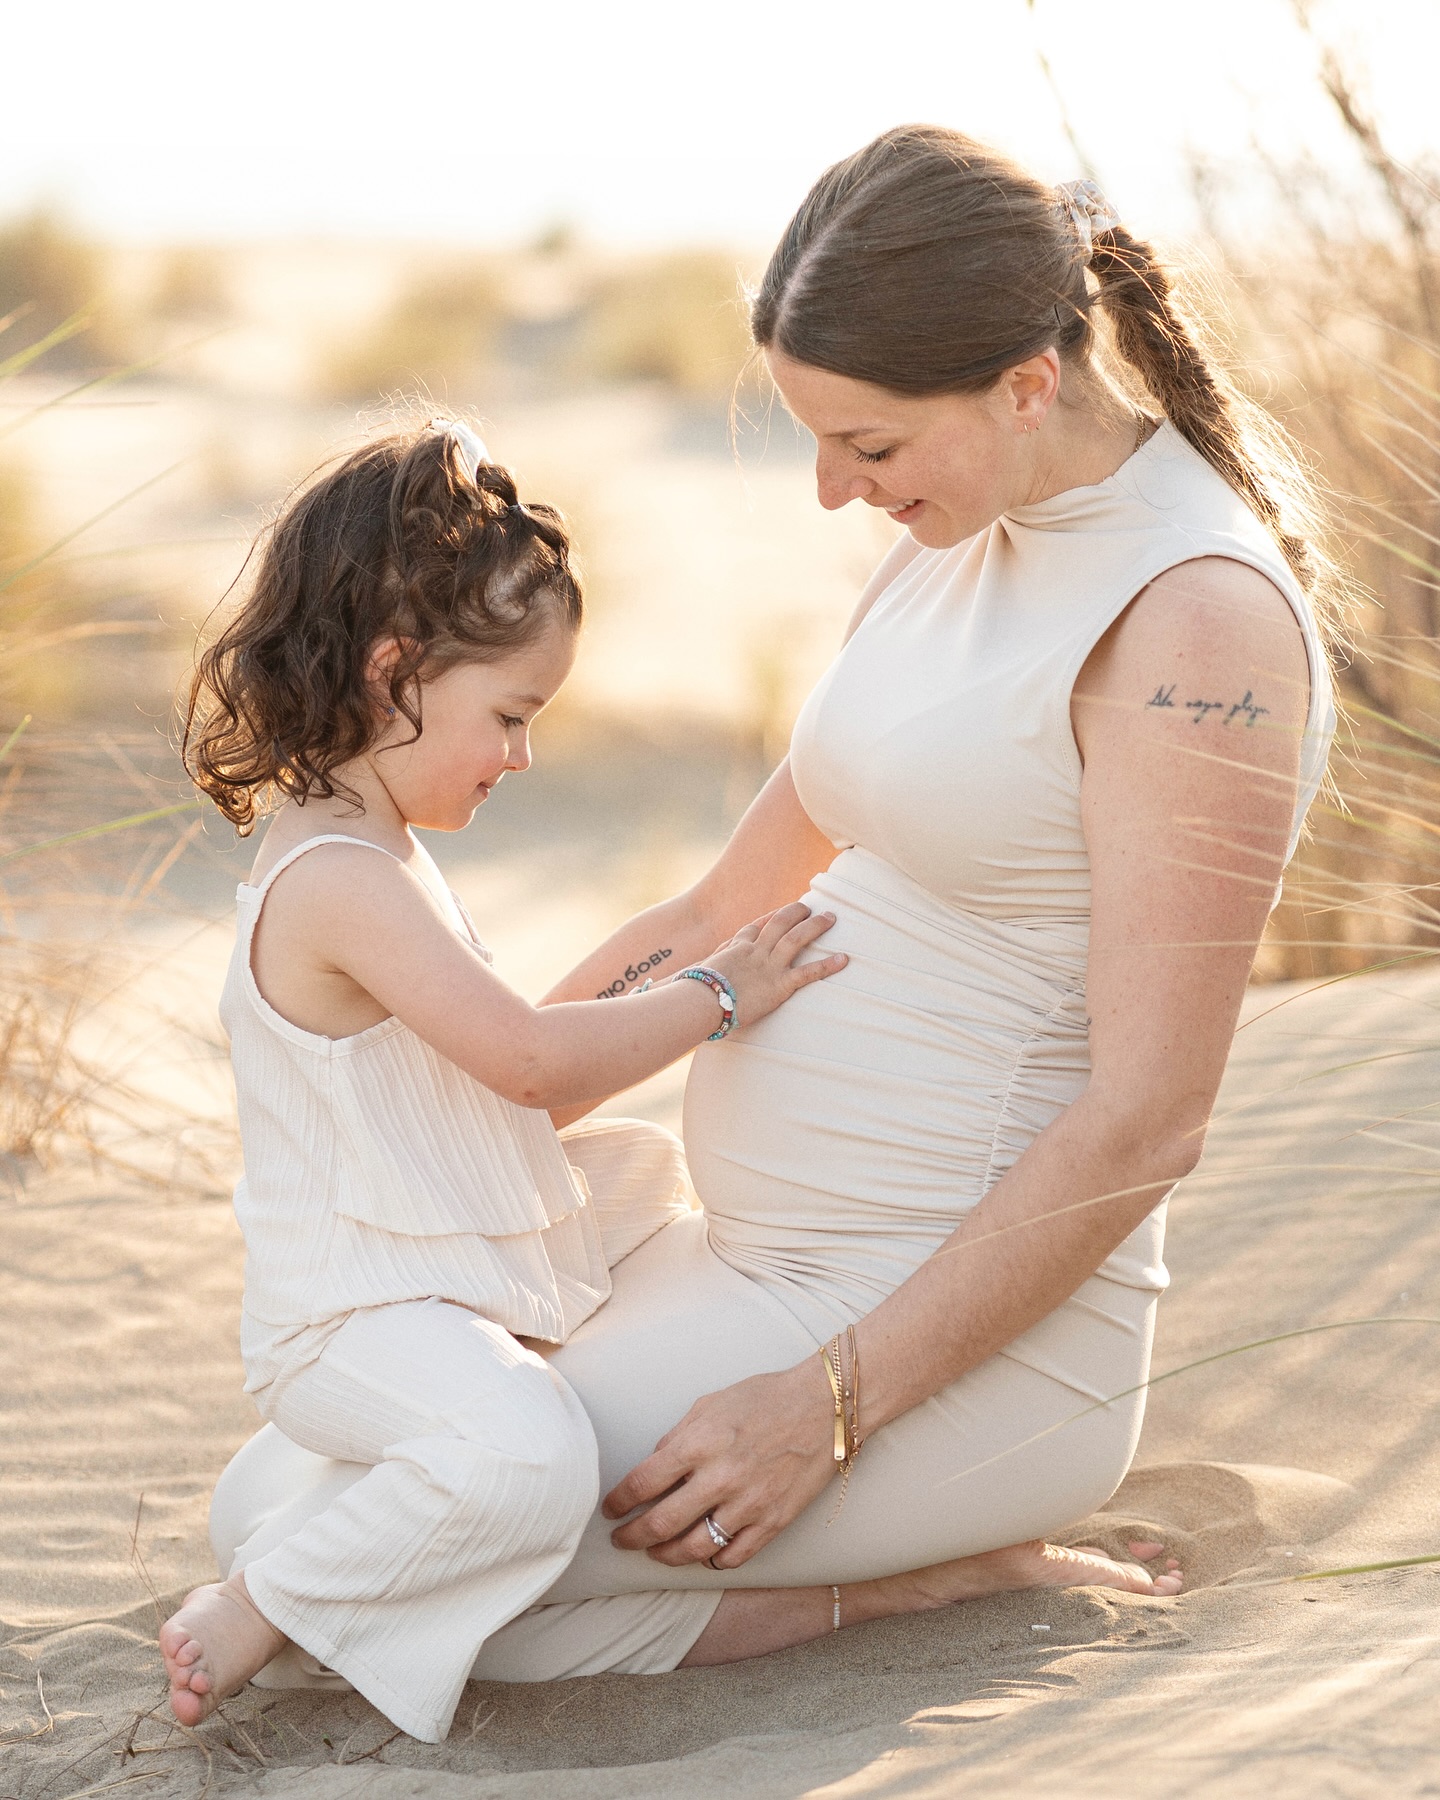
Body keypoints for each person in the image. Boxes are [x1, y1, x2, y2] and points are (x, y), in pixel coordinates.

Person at [208, 126, 1337, 1698]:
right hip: (735, 1261)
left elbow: (1148, 1122)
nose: (832, 492)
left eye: (867, 446)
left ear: (1024, 381)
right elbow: (731, 904)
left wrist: (825, 1405)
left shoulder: (1196, 622)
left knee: (350, 1568)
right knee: (278, 1508)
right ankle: (889, 1584)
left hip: (931, 1337)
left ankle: (914, 1554)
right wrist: (490, 1136)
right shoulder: (948, 548)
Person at [160, 418, 850, 1741]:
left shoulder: (370, 846)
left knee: (633, 1188)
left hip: (415, 1270)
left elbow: (517, 1050)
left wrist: (706, 931)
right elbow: (532, 1064)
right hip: (349, 1316)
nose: (522, 758)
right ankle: (268, 1600)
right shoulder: (338, 881)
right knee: (529, 1461)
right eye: (510, 717)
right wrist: (718, 997)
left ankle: (426, 1506)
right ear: (395, 671)